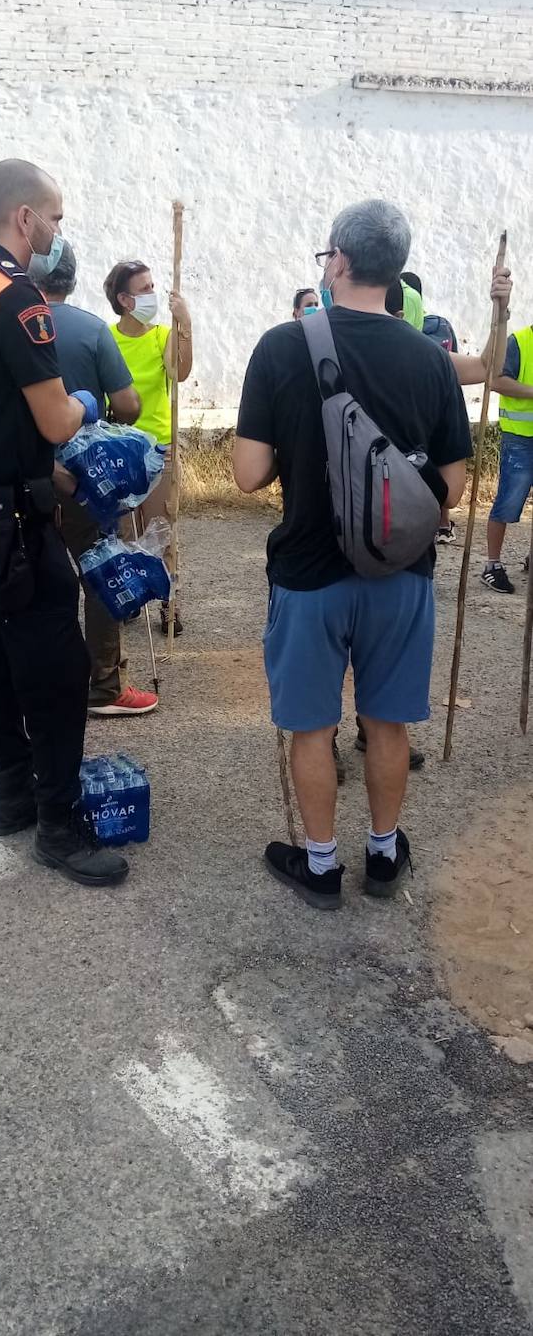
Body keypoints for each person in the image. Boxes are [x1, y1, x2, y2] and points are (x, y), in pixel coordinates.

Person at [234, 199, 472, 910]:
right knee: (387, 722)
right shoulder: (429, 359)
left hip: (308, 574)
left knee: (312, 725)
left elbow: (247, 474)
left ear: (336, 260)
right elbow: (454, 488)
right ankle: (384, 852)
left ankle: (319, 864)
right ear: (396, 272)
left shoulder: (283, 345)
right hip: (401, 575)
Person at [0, 157, 128, 887]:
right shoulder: (16, 299)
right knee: (56, 668)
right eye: (56, 219)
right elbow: (52, 414)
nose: (58, 232)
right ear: (24, 219)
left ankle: (9, 793)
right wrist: (89, 404)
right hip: (14, 519)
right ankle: (60, 826)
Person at [29, 239, 158, 716]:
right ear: (73, 278)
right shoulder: (91, 329)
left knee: (36, 576)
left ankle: (41, 680)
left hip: (27, 471)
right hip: (86, 478)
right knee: (100, 571)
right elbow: (127, 405)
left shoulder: (12, 327)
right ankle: (104, 686)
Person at [387, 268, 512, 544]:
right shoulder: (335, 357)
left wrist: (500, 315)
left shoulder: (426, 359)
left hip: (407, 522)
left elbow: (486, 368)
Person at [104, 259, 192, 636]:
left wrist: (184, 323)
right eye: (145, 289)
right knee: (123, 533)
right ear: (124, 299)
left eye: (153, 286)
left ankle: (169, 605)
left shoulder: (161, 336)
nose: (153, 295)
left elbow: (180, 372)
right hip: (119, 451)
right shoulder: (105, 338)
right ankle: (130, 597)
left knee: (163, 530)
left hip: (160, 450)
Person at [482, 325, 533, 593]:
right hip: (520, 439)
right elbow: (497, 380)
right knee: (507, 503)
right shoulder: (519, 342)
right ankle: (492, 565)